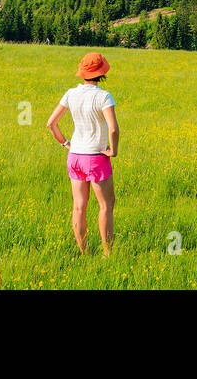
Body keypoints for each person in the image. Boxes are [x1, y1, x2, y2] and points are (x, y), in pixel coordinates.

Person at [47, 51, 119, 255]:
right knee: (106, 206)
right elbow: (113, 129)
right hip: (96, 158)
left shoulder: (71, 94)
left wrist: (66, 143)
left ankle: (84, 252)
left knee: (79, 207)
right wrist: (113, 150)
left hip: (75, 157)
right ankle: (107, 253)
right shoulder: (104, 96)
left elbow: (51, 124)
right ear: (102, 72)